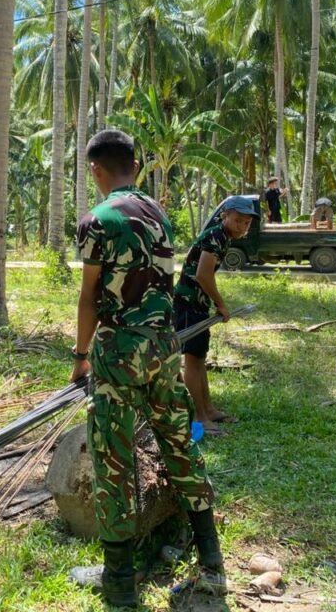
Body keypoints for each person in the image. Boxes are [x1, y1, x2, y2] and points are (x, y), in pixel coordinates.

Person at [69, 130, 225, 607]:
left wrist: (80, 357)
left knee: (113, 462)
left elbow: (90, 298)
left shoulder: (97, 220)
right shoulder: (158, 214)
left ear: (96, 170)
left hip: (118, 351)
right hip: (163, 345)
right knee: (179, 445)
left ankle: (118, 583)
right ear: (134, 166)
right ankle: (213, 564)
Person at [173, 196, 257, 436]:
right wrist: (221, 304)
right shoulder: (215, 236)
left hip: (197, 304)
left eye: (246, 223)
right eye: (238, 220)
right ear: (225, 216)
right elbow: (202, 275)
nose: (242, 226)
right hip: (188, 304)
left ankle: (207, 409)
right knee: (192, 359)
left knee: (199, 357)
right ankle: (198, 418)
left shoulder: (222, 236)